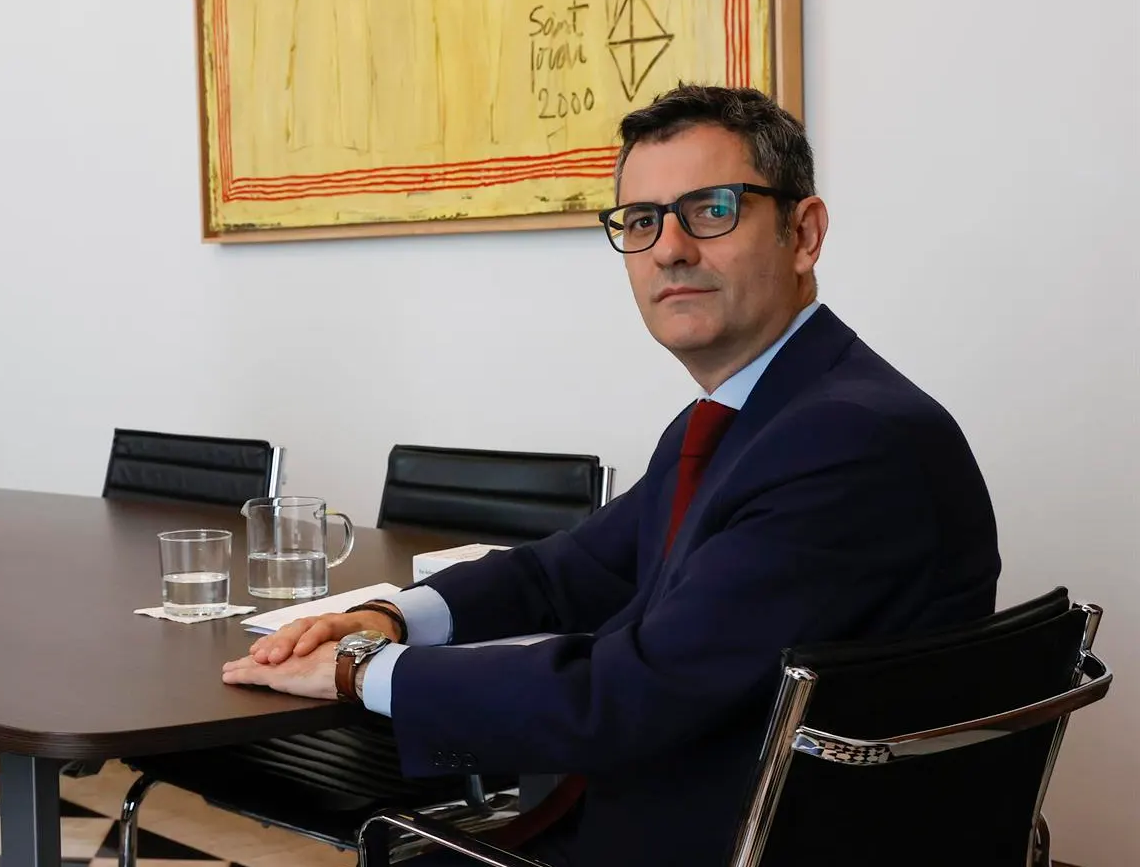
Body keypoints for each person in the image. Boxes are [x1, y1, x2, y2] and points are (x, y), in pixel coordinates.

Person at [221, 86, 1002, 867]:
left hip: (722, 840)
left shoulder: (849, 439)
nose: (670, 248)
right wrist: (393, 617)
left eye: (712, 209)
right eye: (641, 220)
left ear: (803, 233)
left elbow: (625, 696)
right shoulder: (755, 411)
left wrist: (366, 673)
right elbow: (575, 568)